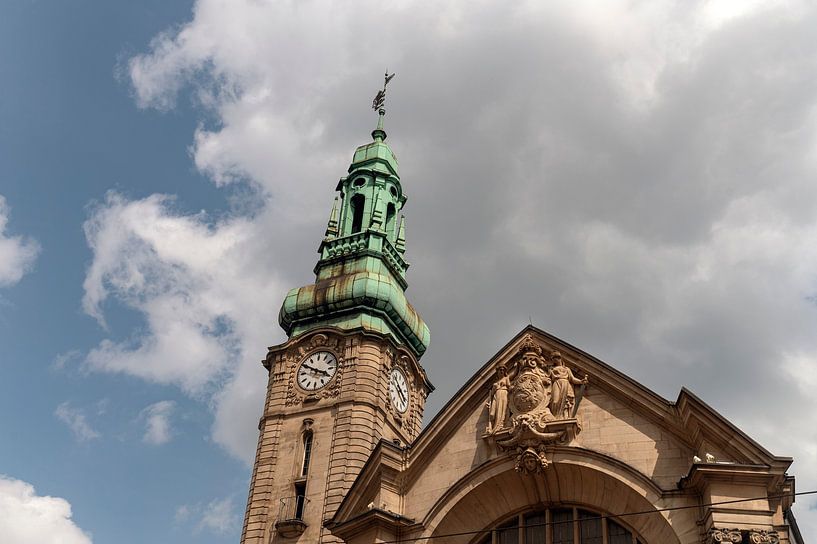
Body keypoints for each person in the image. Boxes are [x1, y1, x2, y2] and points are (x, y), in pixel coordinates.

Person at [548, 351, 588, 418]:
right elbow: (547, 378)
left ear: (559, 358)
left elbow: (572, 379)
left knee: (566, 402)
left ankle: (565, 417)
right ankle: (556, 417)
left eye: (555, 358)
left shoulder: (566, 369)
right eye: (552, 359)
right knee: (555, 401)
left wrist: (581, 381)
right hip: (556, 384)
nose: (554, 360)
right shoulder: (551, 368)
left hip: (566, 384)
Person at [486, 366, 511, 434]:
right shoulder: (496, 382)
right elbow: (491, 393)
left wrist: (517, 367)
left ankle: (500, 426)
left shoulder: (506, 378)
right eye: (500, 370)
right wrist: (488, 401)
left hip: (503, 394)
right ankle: (494, 426)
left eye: (503, 370)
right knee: (492, 414)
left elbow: (509, 386)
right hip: (496, 395)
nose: (501, 371)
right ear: (497, 372)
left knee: (502, 410)